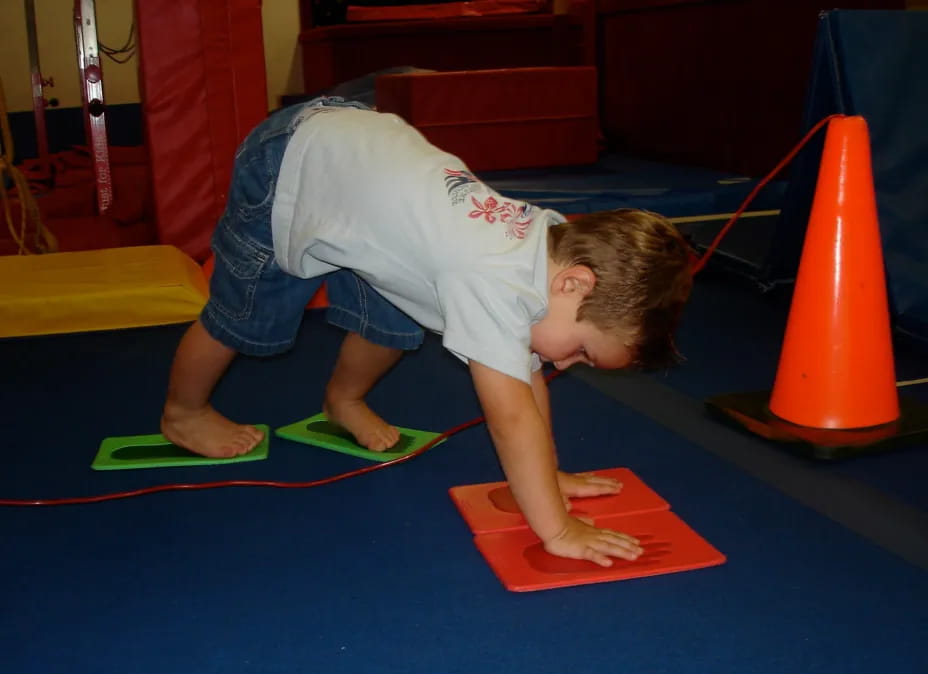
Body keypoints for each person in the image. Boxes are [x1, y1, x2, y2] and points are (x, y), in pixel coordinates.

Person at [160, 97, 693, 567]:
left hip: (359, 162)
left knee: (393, 321)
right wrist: (556, 527)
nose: (567, 364)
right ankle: (184, 413)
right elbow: (511, 419)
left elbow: (524, 385)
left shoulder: (549, 251)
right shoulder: (489, 276)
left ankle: (342, 402)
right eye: (581, 350)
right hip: (291, 162)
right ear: (575, 284)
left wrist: (548, 476)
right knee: (243, 316)